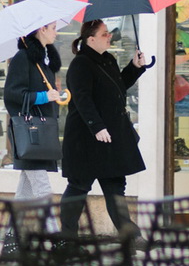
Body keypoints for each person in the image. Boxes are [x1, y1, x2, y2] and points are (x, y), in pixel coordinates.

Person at [60, 19, 148, 234]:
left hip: (109, 137)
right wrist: (97, 127)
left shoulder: (108, 59)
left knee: (115, 188)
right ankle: (67, 239)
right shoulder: (80, 64)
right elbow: (82, 100)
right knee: (78, 187)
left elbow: (118, 87)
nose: (110, 36)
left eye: (108, 33)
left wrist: (135, 67)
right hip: (87, 139)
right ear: (91, 40)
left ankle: (130, 237)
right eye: (104, 34)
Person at [3, 22, 62, 211]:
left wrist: (53, 96)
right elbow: (12, 94)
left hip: (41, 133)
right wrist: (44, 96)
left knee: (25, 192)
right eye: (53, 28)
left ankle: (14, 229)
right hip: (31, 134)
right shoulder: (23, 58)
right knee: (42, 189)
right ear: (42, 29)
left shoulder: (44, 61)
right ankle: (52, 230)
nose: (56, 33)